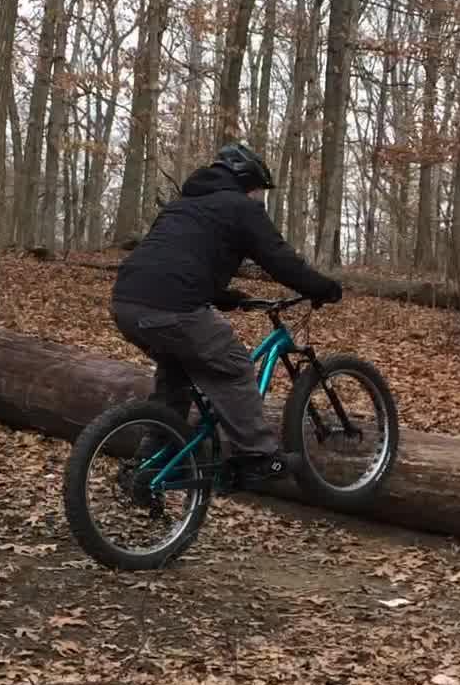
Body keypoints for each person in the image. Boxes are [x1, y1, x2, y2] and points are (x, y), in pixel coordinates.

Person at [110, 142, 343, 486]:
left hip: (127, 303)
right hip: (173, 307)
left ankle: (154, 457)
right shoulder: (240, 207)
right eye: (260, 191)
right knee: (234, 366)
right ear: (247, 182)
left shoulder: (183, 207)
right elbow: (278, 258)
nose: (260, 199)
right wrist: (322, 287)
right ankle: (258, 457)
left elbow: (178, 259)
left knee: (177, 373)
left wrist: (224, 296)